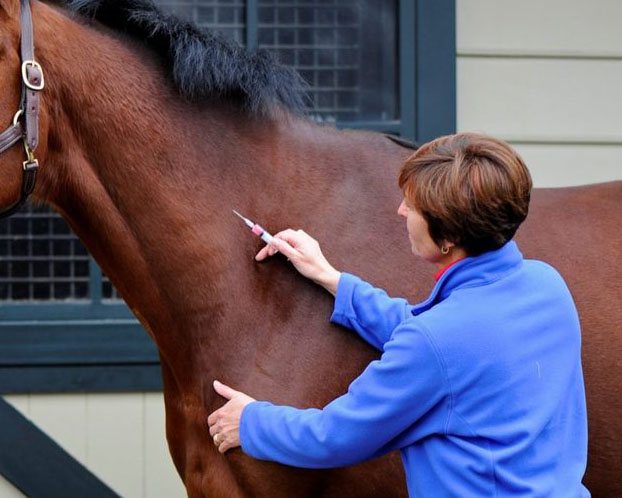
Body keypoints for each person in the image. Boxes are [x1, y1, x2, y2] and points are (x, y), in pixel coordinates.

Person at [207, 132, 589, 497]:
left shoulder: (437, 342)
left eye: (415, 206)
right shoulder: (547, 285)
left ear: (448, 237)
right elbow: (454, 349)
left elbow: (335, 435)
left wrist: (252, 422)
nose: (401, 209)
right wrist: (332, 279)